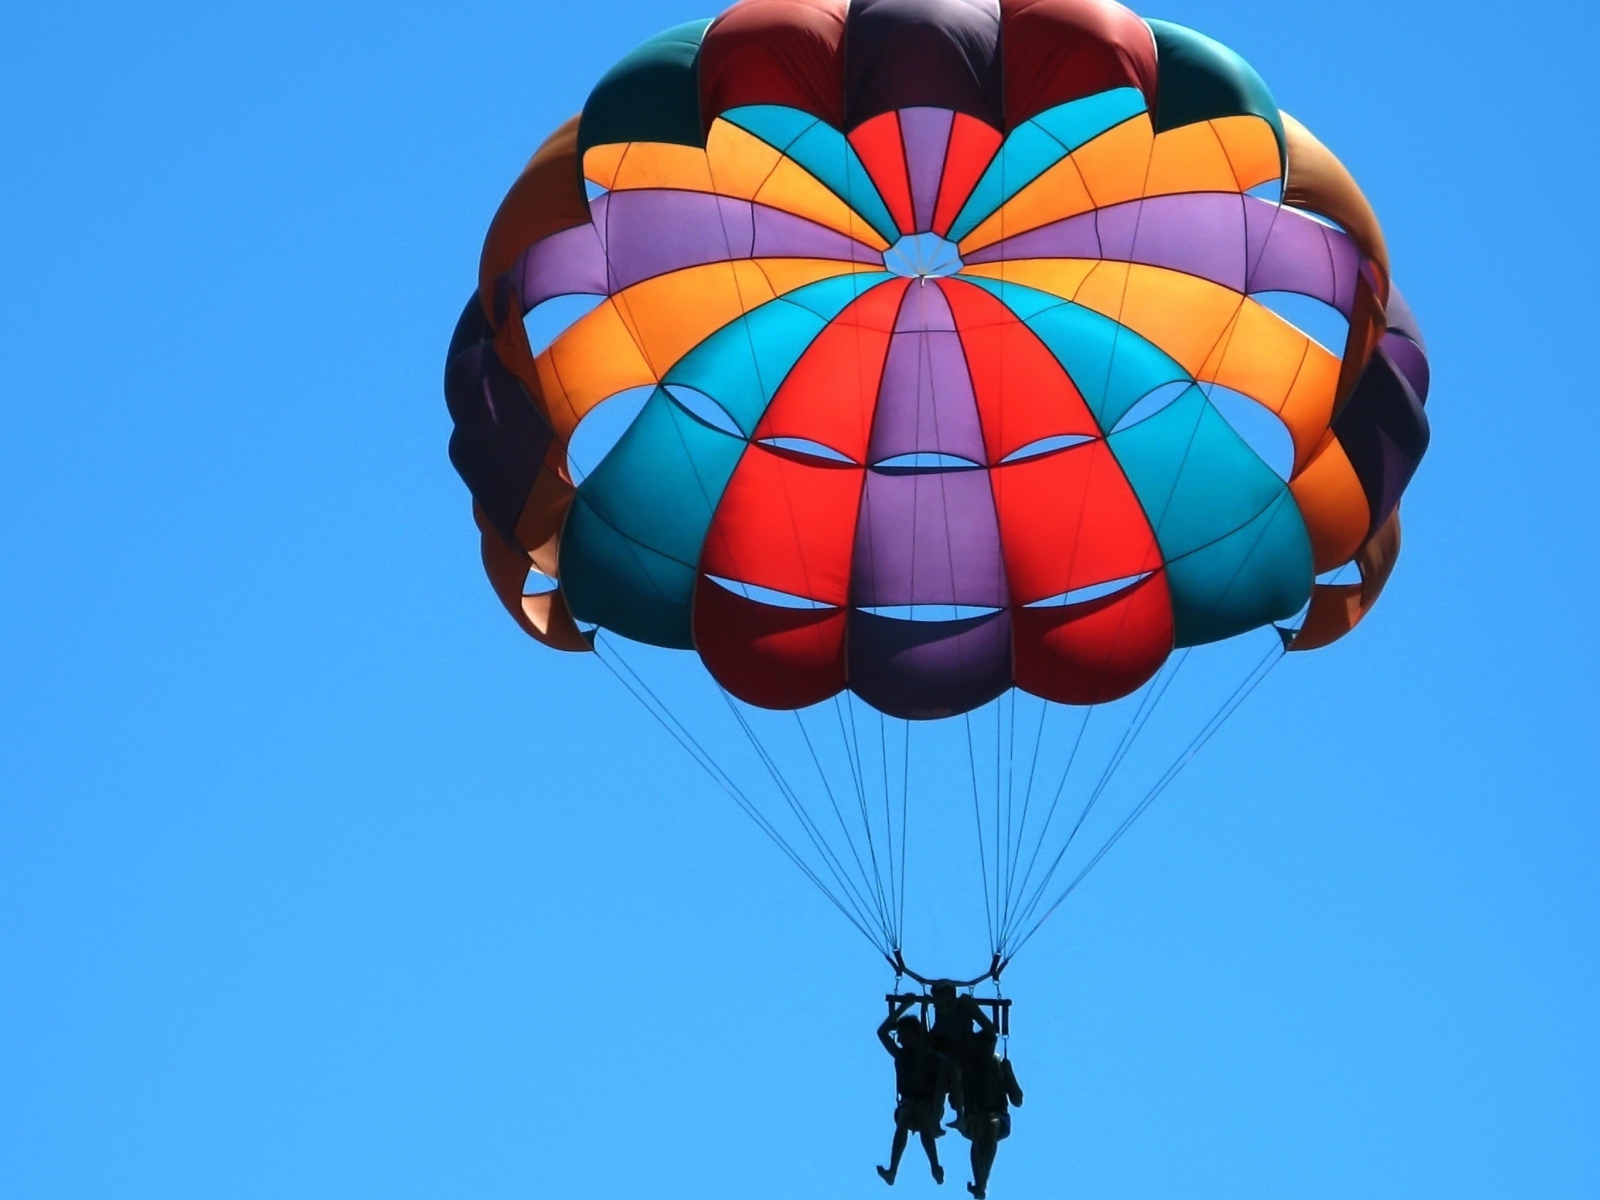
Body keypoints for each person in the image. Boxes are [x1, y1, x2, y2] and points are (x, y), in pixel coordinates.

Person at [876, 998, 959, 1186]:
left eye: (902, 1035)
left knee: (922, 1116)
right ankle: (892, 1170)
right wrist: (903, 1007)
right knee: (904, 1118)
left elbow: (949, 1068)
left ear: (913, 1034)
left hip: (930, 1106)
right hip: (907, 1103)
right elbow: (882, 1033)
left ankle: (935, 1165)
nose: (899, 1039)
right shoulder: (901, 1055)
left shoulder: (932, 1054)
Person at [953, 1030, 1023, 1199]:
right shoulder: (965, 1067)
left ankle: (982, 1182)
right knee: (980, 1129)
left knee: (990, 1126)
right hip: (973, 1117)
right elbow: (954, 1098)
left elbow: (1017, 1100)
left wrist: (1009, 1072)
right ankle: (980, 1183)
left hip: (998, 1116)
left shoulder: (999, 1065)